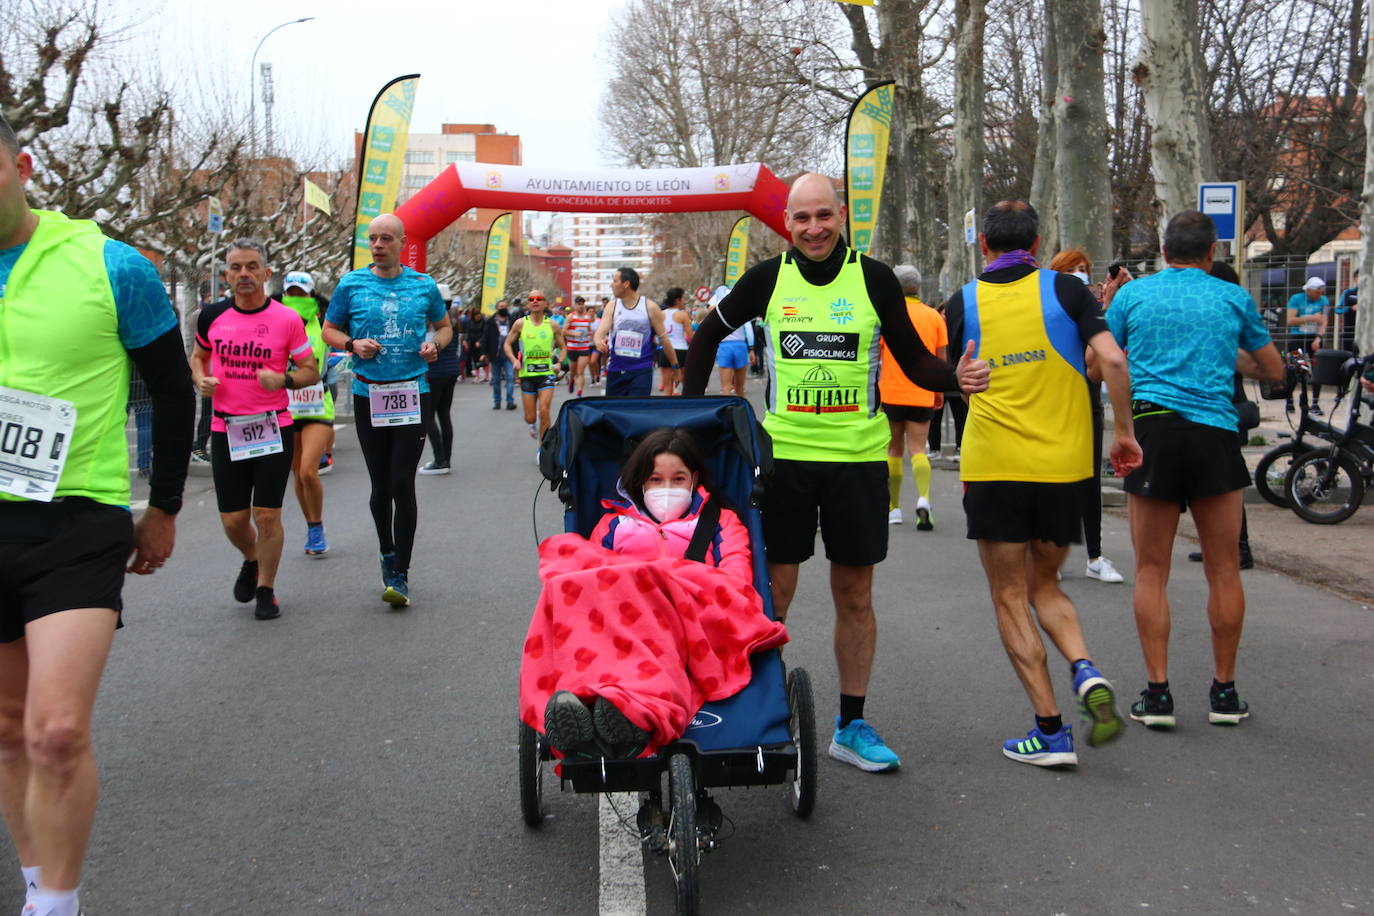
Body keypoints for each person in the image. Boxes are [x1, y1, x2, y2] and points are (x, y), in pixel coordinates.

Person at [683, 172, 990, 772]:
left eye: (824, 216)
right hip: (785, 460)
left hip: (858, 462)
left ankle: (851, 724)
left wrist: (956, 378)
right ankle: (753, 712)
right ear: (787, 224)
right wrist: (688, 422)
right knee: (773, 595)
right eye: (802, 219)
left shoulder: (874, 279)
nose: (814, 228)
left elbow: (915, 363)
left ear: (841, 216)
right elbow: (703, 340)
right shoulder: (768, 279)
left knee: (855, 595)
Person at [0, 113, 194, 916]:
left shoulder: (112, 265)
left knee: (55, 731)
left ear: (23, 163)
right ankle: (34, 874)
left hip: (76, 520)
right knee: (9, 731)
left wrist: (166, 508)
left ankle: (57, 906)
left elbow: (174, 389)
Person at [947, 200, 1140, 768]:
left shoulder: (962, 301)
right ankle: (1085, 668)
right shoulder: (1068, 290)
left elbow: (950, 380)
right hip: (1063, 470)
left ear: (984, 245)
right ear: (1036, 242)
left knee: (1009, 596)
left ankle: (1051, 732)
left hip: (995, 467)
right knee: (1047, 585)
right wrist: (1123, 434)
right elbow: (1114, 360)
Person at [1107, 210, 1283, 729]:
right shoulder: (1231, 297)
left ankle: (1157, 694)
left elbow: (1103, 364)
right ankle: (1224, 694)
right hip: (1214, 435)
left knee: (1150, 569)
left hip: (1154, 432)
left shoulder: (1132, 296)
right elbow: (1272, 370)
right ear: (1213, 254)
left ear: (1163, 252)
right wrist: (1225, 355)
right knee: (1224, 568)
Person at [521, 428, 786, 758]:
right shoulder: (612, 525)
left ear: (694, 479)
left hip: (691, 620)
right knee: (568, 583)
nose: (667, 489)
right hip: (620, 624)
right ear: (641, 483)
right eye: (656, 480)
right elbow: (588, 579)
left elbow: (736, 581)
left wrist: (666, 583)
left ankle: (631, 711)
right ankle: (595, 705)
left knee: (652, 632)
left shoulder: (722, 522)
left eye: (678, 479)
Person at [321, 213, 451, 607]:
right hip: (369, 393)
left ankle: (401, 572)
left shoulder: (423, 285)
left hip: (413, 391)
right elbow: (329, 329)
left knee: (401, 481)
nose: (377, 246)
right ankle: (386, 549)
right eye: (372, 239)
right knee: (380, 484)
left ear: (401, 243)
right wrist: (351, 345)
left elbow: (444, 327)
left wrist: (435, 345)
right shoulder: (351, 284)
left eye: (385, 239)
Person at [192, 239, 318, 619]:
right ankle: (251, 557)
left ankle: (266, 587)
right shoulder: (210, 316)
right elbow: (198, 358)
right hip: (225, 428)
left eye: (251, 267)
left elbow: (311, 371)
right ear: (226, 274)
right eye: (235, 267)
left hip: (272, 427)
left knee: (267, 516)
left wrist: (282, 380)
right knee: (233, 519)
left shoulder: (286, 319)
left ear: (266, 274)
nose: (243, 274)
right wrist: (200, 379)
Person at [1046, 248, 1125, 584]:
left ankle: (1094, 556)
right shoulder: (1049, 310)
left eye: (1084, 269)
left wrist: (1107, 303)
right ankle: (1052, 553)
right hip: (1051, 403)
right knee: (1053, 479)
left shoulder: (1092, 310)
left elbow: (1096, 368)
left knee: (1090, 482)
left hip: (1086, 402)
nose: (1079, 274)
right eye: (1072, 269)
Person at [880, 265, 947, 530]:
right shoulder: (934, 317)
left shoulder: (888, 317)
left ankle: (894, 508)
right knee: (918, 449)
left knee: (893, 450)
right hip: (922, 391)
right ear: (918, 287)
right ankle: (924, 499)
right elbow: (940, 361)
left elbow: (879, 356)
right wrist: (938, 392)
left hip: (892, 391)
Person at [279, 271, 334, 555]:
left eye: (302, 294)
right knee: (297, 476)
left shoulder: (323, 324)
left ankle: (317, 526)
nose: (295, 298)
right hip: (286, 407)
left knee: (308, 471)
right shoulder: (275, 323)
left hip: (317, 405)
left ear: (312, 297)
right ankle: (313, 527)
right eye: (291, 293)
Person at [593, 267, 679, 396]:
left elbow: (664, 339)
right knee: (614, 413)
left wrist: (675, 366)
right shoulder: (612, 306)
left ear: (626, 284)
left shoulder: (650, 307)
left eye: (615, 281)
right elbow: (600, 332)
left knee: (636, 412)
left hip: (641, 371)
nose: (612, 285)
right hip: (616, 369)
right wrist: (598, 341)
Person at [503, 289, 565, 450]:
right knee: (530, 417)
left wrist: (559, 363)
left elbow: (563, 347)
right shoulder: (520, 324)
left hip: (546, 374)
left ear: (545, 303)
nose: (535, 301)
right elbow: (507, 344)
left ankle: (543, 449)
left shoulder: (552, 324)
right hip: (527, 375)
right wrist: (514, 360)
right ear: (528, 303)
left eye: (539, 298)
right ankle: (532, 424)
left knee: (544, 411)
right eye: (531, 299)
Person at [419, 284, 461, 475]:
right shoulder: (453, 318)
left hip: (434, 372)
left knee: (427, 416)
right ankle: (446, 459)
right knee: (444, 415)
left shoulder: (431, 320)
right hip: (451, 370)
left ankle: (439, 459)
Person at [1287, 277, 1330, 413]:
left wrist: (1318, 338)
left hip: (1314, 338)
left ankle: (1315, 402)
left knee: (1317, 371)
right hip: (1298, 337)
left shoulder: (1324, 301)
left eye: (1321, 292)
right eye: (1317, 292)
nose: (1319, 295)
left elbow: (1324, 321)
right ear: (1309, 290)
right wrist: (1311, 318)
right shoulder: (1296, 299)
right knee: (1297, 369)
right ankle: (1289, 400)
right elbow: (1290, 320)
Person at [709, 284, 756, 396]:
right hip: (740, 346)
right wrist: (752, 349)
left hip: (725, 347)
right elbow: (749, 329)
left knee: (726, 388)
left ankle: (727, 412)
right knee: (740, 388)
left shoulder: (716, 310)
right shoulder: (741, 308)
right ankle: (742, 412)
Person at [482, 300, 517, 410]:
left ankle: (510, 401)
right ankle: (497, 401)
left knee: (510, 378)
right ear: (497, 308)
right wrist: (484, 353)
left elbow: (517, 337)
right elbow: (485, 337)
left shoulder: (512, 320)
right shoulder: (491, 321)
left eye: (505, 306)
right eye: (501, 306)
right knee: (496, 380)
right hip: (495, 355)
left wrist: (517, 353)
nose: (504, 308)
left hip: (509, 355)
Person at [658, 287, 692, 396]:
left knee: (667, 385)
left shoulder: (661, 314)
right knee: (684, 382)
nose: (684, 301)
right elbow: (690, 337)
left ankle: (665, 411)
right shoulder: (683, 314)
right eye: (683, 299)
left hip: (665, 350)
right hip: (680, 350)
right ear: (678, 300)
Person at [563, 296, 596, 396]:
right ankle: (572, 380)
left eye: (582, 304)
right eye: (579, 304)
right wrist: (574, 334)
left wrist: (590, 334)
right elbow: (563, 331)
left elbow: (590, 330)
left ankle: (579, 392)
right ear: (575, 305)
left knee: (580, 371)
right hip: (572, 347)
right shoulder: (571, 317)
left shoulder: (587, 317)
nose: (581, 306)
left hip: (584, 347)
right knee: (573, 371)